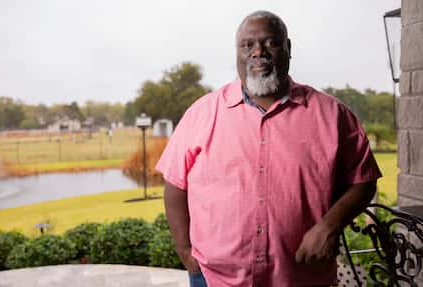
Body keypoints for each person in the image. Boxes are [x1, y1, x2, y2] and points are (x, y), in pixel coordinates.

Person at [156, 10, 382, 287]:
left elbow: (363, 182)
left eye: (270, 43)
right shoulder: (201, 113)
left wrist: (329, 226)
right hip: (215, 278)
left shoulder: (333, 115)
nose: (257, 52)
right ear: (237, 52)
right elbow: (175, 185)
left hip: (301, 277)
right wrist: (184, 250)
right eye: (247, 44)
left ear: (288, 48)